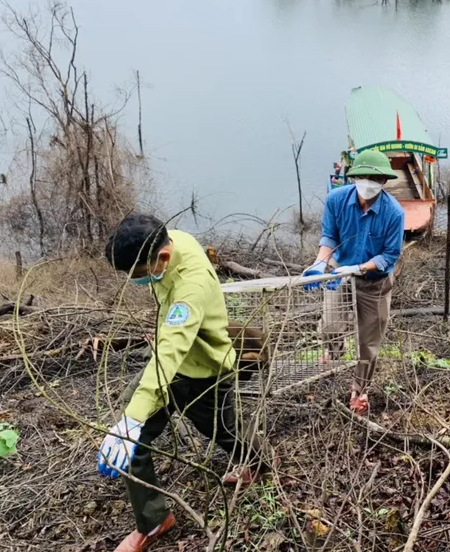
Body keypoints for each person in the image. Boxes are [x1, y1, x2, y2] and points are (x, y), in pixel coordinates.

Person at [99, 214, 267, 552]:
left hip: (204, 370)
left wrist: (133, 418)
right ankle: (154, 519)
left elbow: (171, 351)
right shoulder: (168, 239)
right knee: (134, 439)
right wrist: (130, 422)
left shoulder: (190, 288)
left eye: (140, 275)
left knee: (222, 427)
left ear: (161, 258)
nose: (136, 281)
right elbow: (169, 348)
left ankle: (258, 463)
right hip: (173, 364)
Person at [303, 149, 404, 415]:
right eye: (364, 176)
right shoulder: (336, 200)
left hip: (374, 282)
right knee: (329, 325)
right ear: (355, 176)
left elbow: (389, 255)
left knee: (369, 342)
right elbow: (329, 236)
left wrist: (359, 268)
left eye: (376, 178)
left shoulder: (393, 213)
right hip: (339, 274)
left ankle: (360, 388)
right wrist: (319, 264)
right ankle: (335, 349)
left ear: (383, 182)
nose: (369, 183)